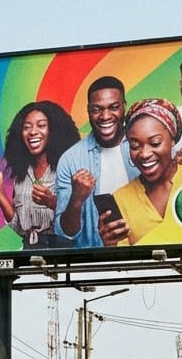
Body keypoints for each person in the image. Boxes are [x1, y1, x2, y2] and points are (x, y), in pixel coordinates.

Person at [110, 97, 182, 245]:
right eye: (135, 146)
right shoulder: (119, 199)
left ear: (172, 139)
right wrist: (111, 245)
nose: (144, 153)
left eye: (155, 143)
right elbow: (125, 263)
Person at [54, 76, 139, 249]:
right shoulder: (71, 160)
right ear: (88, 111)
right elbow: (64, 234)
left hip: (149, 258)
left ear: (124, 106)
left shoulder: (145, 147)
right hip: (95, 266)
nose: (105, 116)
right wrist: (76, 199)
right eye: (97, 109)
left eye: (114, 107)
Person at [0, 100, 80, 250]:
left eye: (41, 125)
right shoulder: (22, 175)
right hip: (30, 252)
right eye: (26, 127)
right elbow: (18, 226)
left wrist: (53, 202)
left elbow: (81, 222)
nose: (33, 132)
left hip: (62, 253)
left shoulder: (68, 169)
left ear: (54, 131)